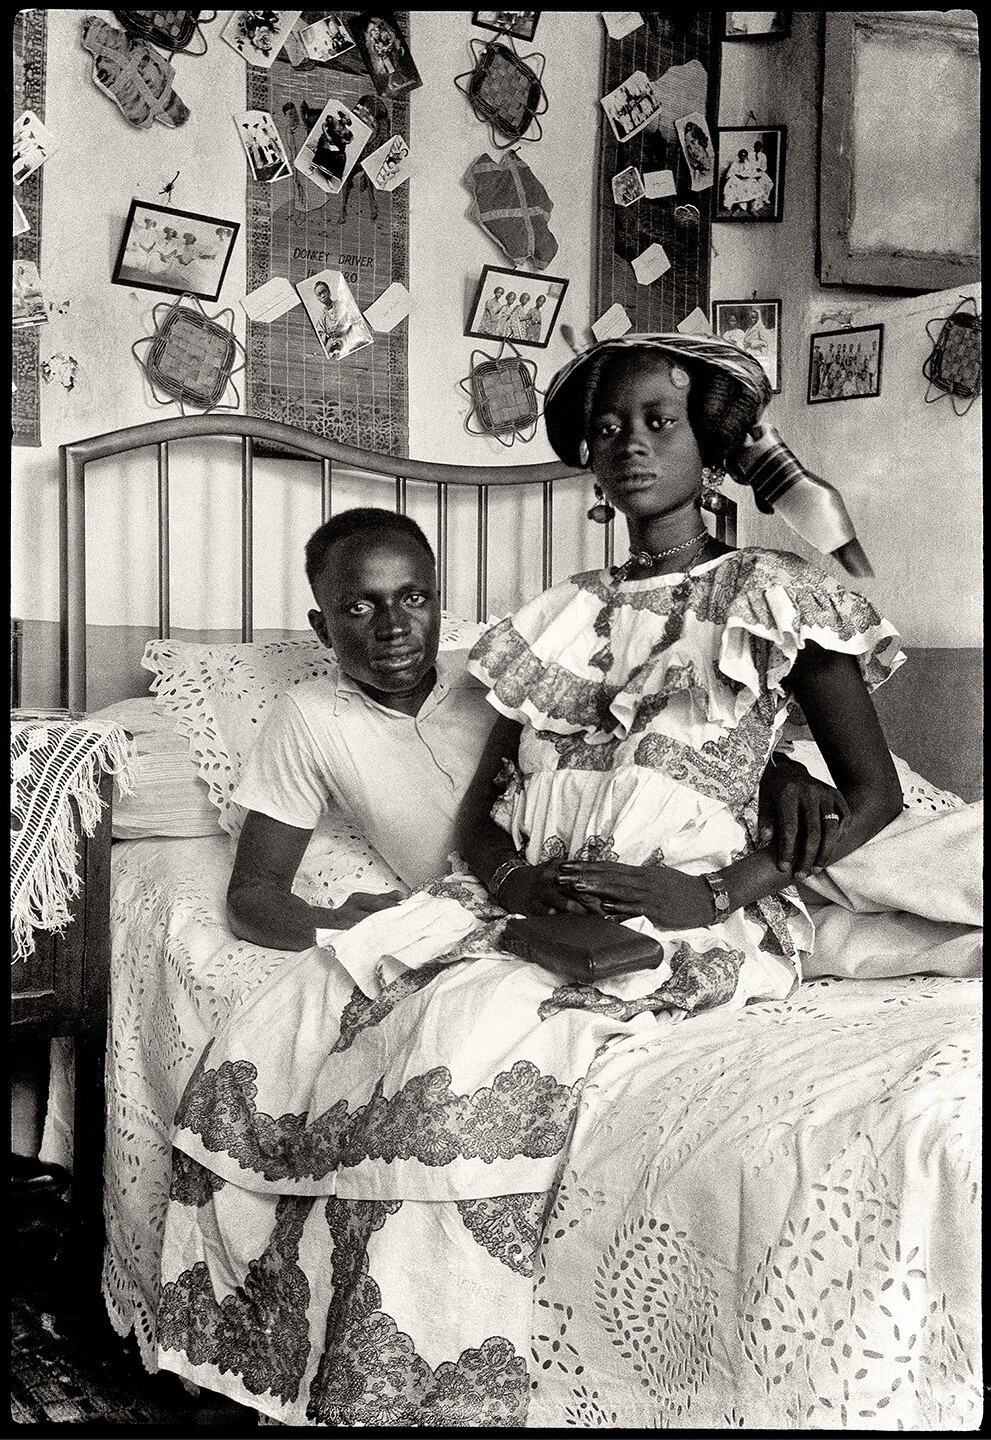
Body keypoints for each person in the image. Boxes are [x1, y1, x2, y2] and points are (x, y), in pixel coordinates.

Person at [154, 338, 923, 1424]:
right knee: (295, 1013)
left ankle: (431, 1390)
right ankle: (280, 1347)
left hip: (688, 908)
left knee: (458, 1044)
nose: (629, 448)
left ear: (712, 445)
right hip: (533, 897)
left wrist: (714, 893)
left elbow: (875, 795)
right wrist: (514, 881)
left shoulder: (774, 592)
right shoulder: (556, 617)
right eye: (608, 430)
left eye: (658, 422)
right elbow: (485, 810)